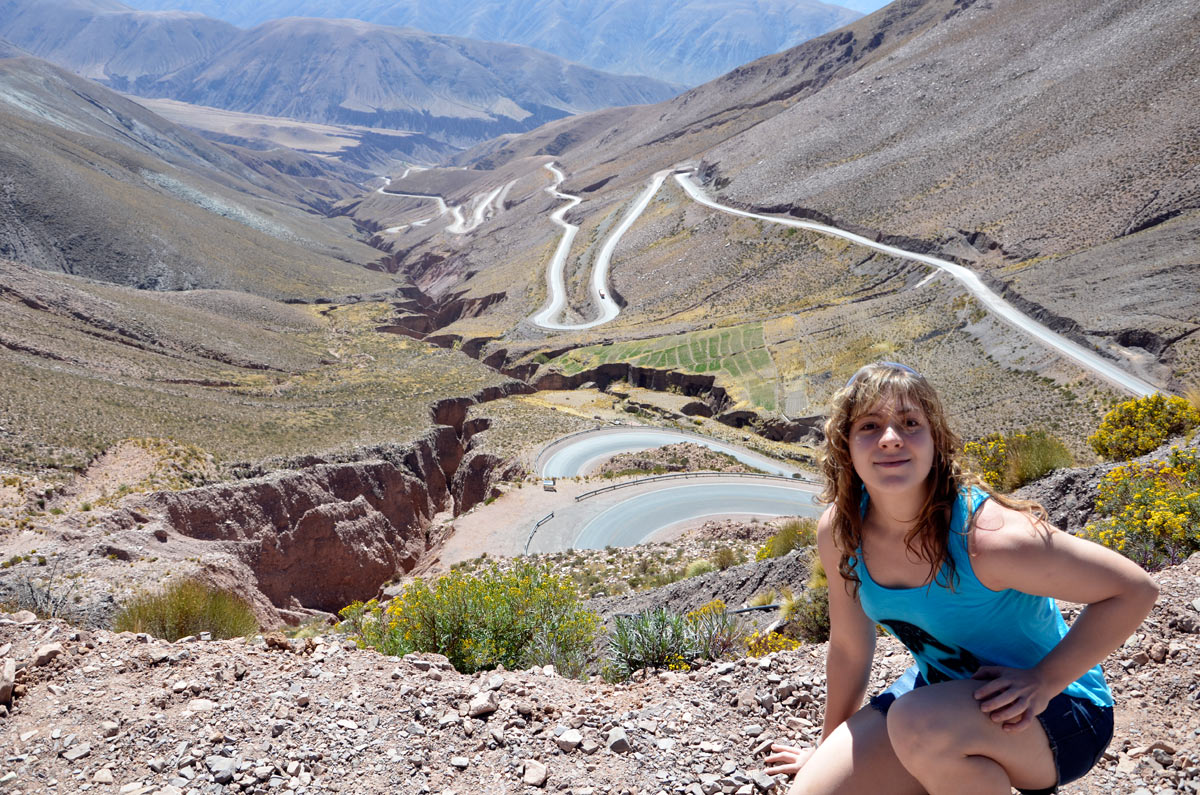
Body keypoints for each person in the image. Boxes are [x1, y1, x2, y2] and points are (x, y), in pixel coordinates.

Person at [764, 361, 1158, 794]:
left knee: (917, 724)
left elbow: (1134, 589)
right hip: (945, 696)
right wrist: (826, 745)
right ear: (846, 446)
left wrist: (1044, 680)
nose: (891, 438)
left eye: (910, 423)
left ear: (936, 440)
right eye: (870, 426)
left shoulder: (989, 539)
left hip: (1057, 711)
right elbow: (848, 645)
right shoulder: (843, 530)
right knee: (813, 791)